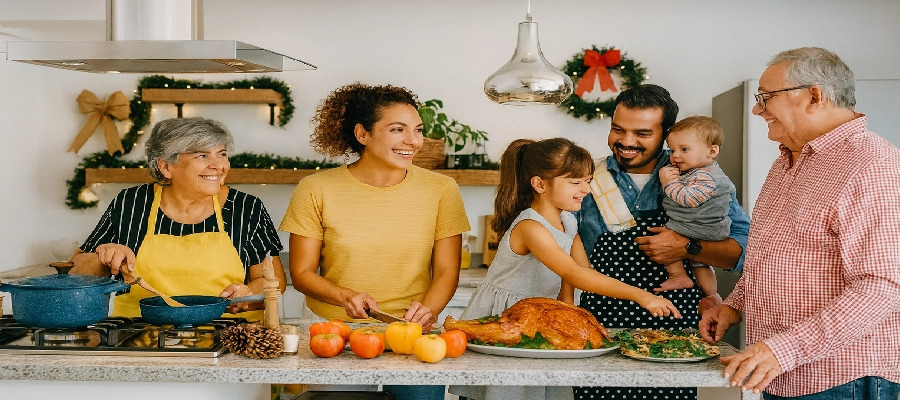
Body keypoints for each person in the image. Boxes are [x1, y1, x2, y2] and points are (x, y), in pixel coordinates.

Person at [700, 47, 900, 399]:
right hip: (787, 374)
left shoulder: (871, 163)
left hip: (842, 377)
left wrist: (783, 350)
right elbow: (773, 256)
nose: (756, 108)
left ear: (814, 95)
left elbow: (881, 287)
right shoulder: (788, 160)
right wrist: (734, 306)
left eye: (766, 97)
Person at [279, 83, 470, 400]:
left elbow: (448, 270)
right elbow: (301, 272)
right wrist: (345, 296)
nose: (413, 141)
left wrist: (428, 312)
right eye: (398, 129)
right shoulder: (315, 189)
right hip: (335, 330)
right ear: (362, 134)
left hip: (413, 331)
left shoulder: (442, 189)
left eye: (418, 130)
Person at [451, 138, 681, 400]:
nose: (586, 189)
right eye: (575, 182)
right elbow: (575, 273)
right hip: (505, 318)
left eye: (587, 180)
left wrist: (568, 309)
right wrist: (643, 296)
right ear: (540, 184)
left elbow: (580, 272)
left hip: (539, 317)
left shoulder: (568, 221)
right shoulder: (531, 227)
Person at [574, 84, 751, 400]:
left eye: (642, 133)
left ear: (666, 133)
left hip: (673, 328)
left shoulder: (701, 177)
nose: (627, 142)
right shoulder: (588, 177)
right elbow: (565, 255)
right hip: (602, 324)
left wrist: (687, 247)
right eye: (618, 129)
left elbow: (744, 253)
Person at [71, 117, 287, 321]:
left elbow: (273, 282)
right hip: (140, 335)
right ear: (166, 166)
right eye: (202, 156)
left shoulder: (246, 208)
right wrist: (104, 257)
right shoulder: (131, 203)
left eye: (221, 154)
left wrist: (248, 293)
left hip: (229, 337)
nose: (218, 165)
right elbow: (75, 270)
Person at [656, 116, 735, 303]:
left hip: (701, 226)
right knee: (699, 263)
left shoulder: (707, 176)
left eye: (684, 149)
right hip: (706, 227)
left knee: (665, 238)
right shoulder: (697, 171)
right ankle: (711, 294)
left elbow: (688, 199)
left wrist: (669, 183)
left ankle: (677, 276)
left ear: (712, 151)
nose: (675, 156)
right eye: (672, 149)